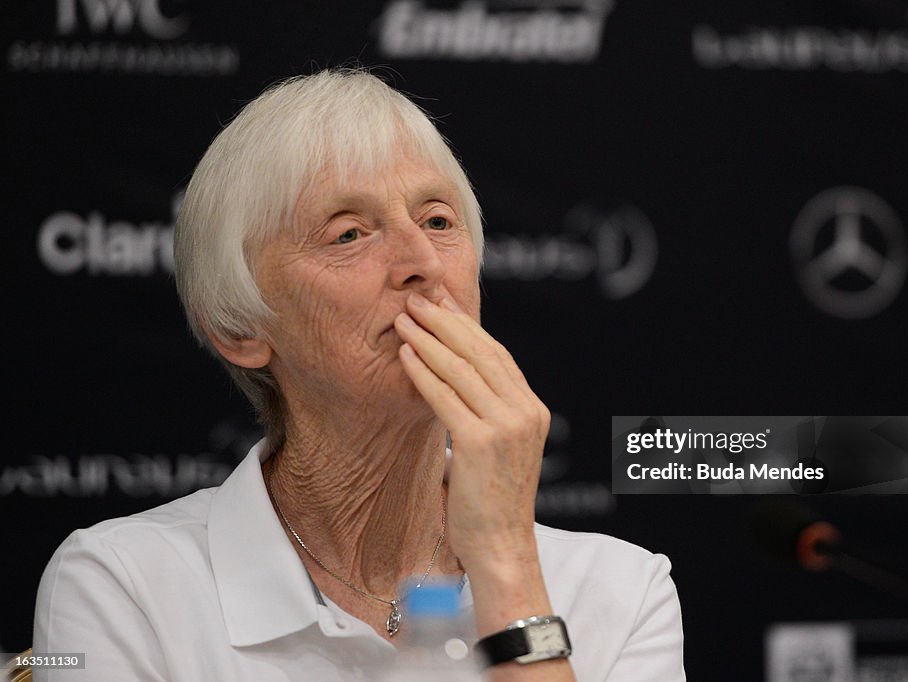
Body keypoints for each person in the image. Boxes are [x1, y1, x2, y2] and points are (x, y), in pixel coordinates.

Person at [33, 69, 686, 681]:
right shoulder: (123, 584)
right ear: (238, 329)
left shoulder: (621, 590)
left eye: (437, 220)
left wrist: (507, 564)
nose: (422, 261)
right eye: (349, 234)